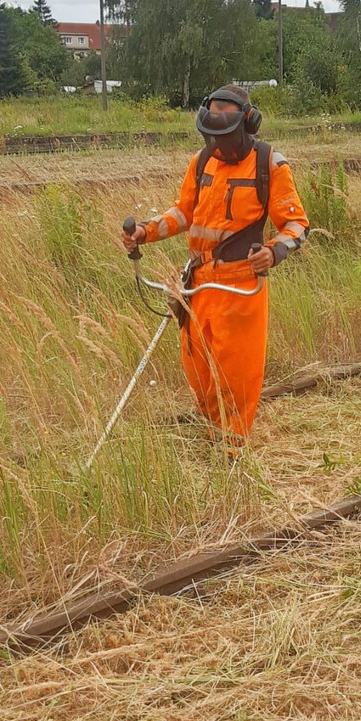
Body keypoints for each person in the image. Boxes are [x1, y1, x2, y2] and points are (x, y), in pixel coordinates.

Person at [121, 84, 309, 455]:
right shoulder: (202, 161)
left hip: (240, 283)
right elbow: (183, 213)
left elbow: (297, 225)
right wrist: (144, 232)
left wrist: (273, 252)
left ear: (247, 123)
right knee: (197, 367)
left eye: (224, 136)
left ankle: (232, 453)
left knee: (235, 374)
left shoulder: (269, 164)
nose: (218, 145)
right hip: (198, 281)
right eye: (211, 136)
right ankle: (212, 433)